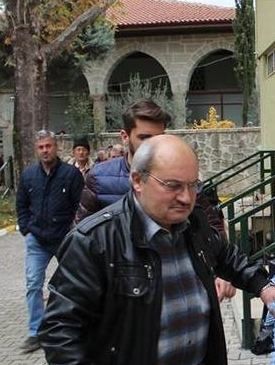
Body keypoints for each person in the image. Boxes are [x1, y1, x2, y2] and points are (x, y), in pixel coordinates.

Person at [39, 134, 275, 365]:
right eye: (173, 186)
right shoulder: (95, 241)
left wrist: (263, 286)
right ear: (137, 180)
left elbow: (225, 254)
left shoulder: (194, 224)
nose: (187, 198)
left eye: (193, 185)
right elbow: (59, 329)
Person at [76, 99, 234, 301]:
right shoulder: (100, 178)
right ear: (125, 136)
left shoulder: (180, 174)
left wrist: (221, 270)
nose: (153, 145)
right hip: (124, 299)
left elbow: (210, 225)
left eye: (159, 138)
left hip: (176, 290)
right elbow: (81, 237)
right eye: (144, 137)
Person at [15, 130, 85, 353]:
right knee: (33, 284)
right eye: (41, 147)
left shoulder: (71, 174)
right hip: (37, 240)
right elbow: (21, 205)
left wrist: (74, 231)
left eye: (48, 146)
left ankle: (74, 327)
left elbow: (80, 205)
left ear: (56, 147)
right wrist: (26, 229)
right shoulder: (28, 176)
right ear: (37, 150)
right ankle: (36, 332)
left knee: (75, 282)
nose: (45, 150)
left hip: (64, 238)